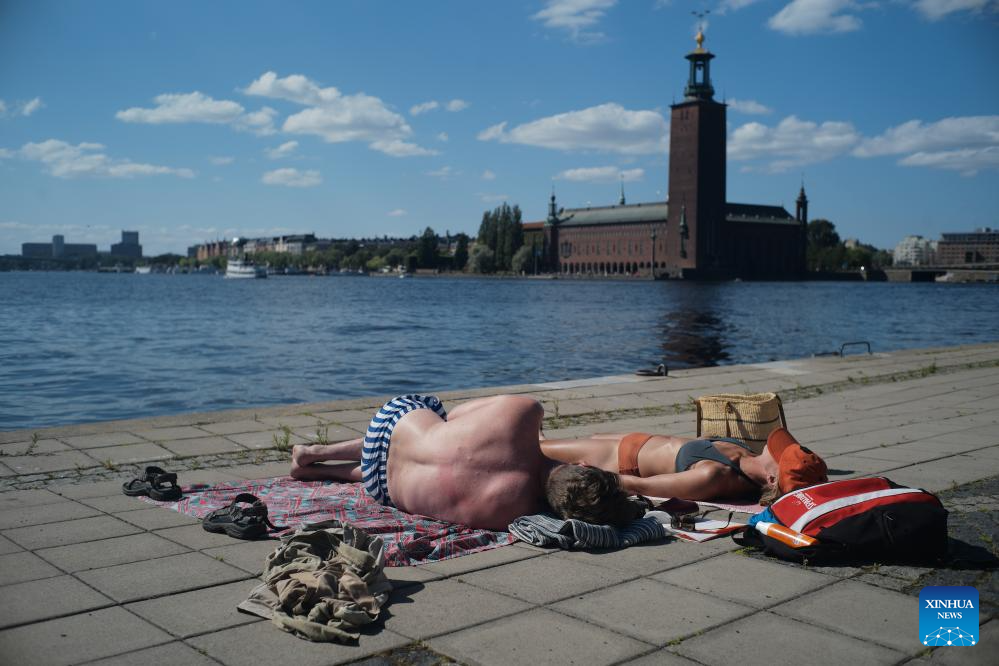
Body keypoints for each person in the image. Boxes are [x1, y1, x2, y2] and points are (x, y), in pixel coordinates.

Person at [290, 394, 643, 530]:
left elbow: (456, 416)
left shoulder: (525, 413)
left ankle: (315, 452)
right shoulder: (511, 514)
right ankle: (326, 470)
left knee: (435, 424)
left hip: (391, 425)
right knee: (403, 467)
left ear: (583, 464)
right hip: (383, 488)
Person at [540, 427, 828, 508]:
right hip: (635, 440)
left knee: (535, 444)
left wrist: (595, 476)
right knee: (544, 440)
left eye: (780, 455)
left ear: (772, 478)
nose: (776, 448)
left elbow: (641, 486)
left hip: (618, 458)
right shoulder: (749, 456)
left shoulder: (714, 476)